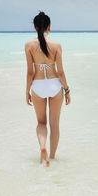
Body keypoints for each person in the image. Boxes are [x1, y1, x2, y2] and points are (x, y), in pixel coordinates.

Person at [24, 11, 71, 167]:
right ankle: (52, 157)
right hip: (55, 86)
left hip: (37, 86)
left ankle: (42, 147)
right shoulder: (56, 45)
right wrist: (67, 89)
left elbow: (30, 72)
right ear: (49, 27)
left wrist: (27, 91)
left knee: (41, 123)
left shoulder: (29, 45)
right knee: (54, 125)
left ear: (35, 27)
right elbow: (61, 72)